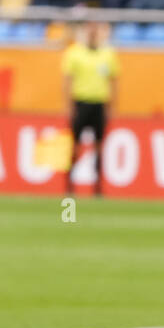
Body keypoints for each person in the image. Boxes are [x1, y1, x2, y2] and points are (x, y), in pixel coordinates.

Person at [62, 21, 119, 197]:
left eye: (96, 30)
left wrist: (112, 105)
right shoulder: (74, 53)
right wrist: (69, 105)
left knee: (99, 146)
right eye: (90, 30)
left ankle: (97, 187)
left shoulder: (108, 54)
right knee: (75, 146)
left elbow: (114, 80)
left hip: (99, 103)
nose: (93, 34)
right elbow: (67, 80)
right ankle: (69, 186)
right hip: (81, 103)